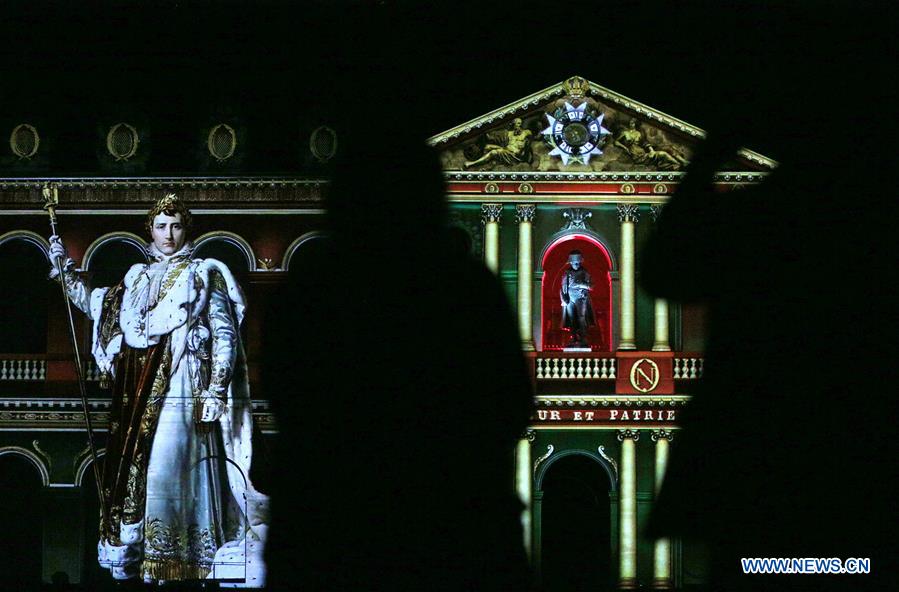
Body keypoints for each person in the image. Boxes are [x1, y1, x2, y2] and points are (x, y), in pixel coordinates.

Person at [263, 128, 534, 591]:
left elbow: (284, 394)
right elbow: (510, 404)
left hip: (328, 530)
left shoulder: (311, 289)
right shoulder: (467, 288)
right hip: (456, 530)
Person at [48, 194, 267, 586]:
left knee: (175, 471)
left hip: (185, 386)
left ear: (186, 230)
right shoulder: (137, 279)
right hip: (141, 393)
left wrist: (216, 389)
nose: (169, 234)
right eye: (161, 226)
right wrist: (64, 271)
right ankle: (155, 564)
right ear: (149, 230)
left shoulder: (204, 274)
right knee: (149, 477)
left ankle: (189, 560)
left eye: (176, 226)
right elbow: (99, 308)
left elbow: (224, 335)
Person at [463, 117, 534, 169]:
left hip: (516, 156)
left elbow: (531, 141)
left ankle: (471, 164)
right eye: (517, 123)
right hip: (506, 151)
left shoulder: (527, 132)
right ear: (513, 124)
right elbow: (500, 140)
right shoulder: (509, 133)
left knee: (493, 152)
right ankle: (486, 163)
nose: (519, 125)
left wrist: (526, 146)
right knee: (487, 146)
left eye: (520, 123)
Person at [560, 250, 595, 348]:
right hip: (570, 298)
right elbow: (562, 287)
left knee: (581, 318)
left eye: (579, 263)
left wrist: (580, 284)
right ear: (571, 263)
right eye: (575, 263)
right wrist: (563, 298)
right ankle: (574, 337)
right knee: (571, 319)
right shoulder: (566, 273)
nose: (577, 265)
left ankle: (583, 338)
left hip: (581, 298)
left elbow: (591, 286)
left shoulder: (584, 272)